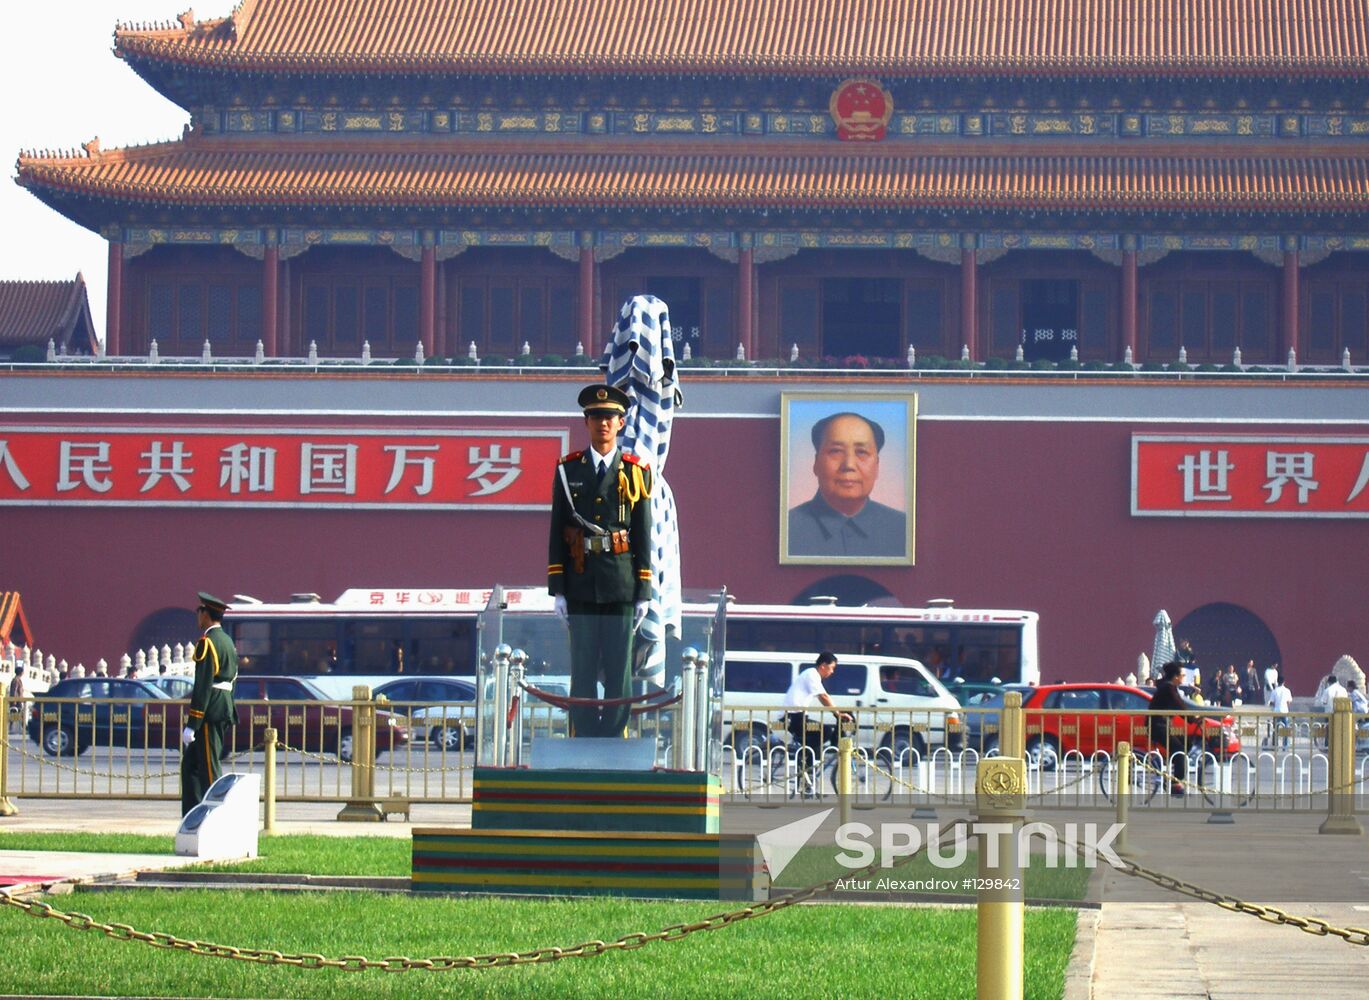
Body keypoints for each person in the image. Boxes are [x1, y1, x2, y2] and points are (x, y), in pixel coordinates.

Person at [548, 384, 653, 738]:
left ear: (621, 423)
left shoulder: (636, 471)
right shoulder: (567, 470)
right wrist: (558, 590)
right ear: (586, 422)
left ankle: (614, 735)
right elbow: (557, 531)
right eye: (595, 417)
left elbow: (643, 533)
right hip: (580, 580)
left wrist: (644, 590)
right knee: (582, 665)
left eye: (609, 417)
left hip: (621, 582)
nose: (602, 424)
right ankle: (583, 733)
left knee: (618, 665)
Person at [787, 411, 906, 558]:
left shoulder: (904, 529)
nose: (849, 465)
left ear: (877, 466)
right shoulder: (786, 530)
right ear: (816, 463)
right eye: (836, 451)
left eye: (861, 452)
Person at [181, 592, 238, 815]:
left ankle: (217, 814)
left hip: (209, 712)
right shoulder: (227, 641)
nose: (198, 616)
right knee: (191, 767)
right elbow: (232, 679)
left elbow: (203, 685)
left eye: (199, 611)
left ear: (205, 615)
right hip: (221, 706)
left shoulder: (207, 643)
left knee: (208, 767)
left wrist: (193, 722)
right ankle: (192, 815)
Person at [782, 651, 852, 795]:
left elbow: (823, 697)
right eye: (832, 668)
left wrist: (837, 712)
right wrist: (837, 713)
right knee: (825, 732)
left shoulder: (813, 675)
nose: (832, 672)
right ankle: (805, 768)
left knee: (817, 741)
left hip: (798, 716)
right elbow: (824, 696)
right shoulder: (812, 674)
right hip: (791, 717)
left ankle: (807, 777)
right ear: (823, 665)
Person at [1149, 660, 1203, 796]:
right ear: (1175, 677)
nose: (1184, 678)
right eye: (1183, 675)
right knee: (1179, 750)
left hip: (1163, 725)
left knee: (1186, 742)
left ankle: (1171, 770)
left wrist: (1192, 718)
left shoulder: (1169, 687)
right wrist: (1193, 719)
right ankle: (1175, 784)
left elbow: (1180, 706)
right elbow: (1180, 706)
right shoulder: (1169, 688)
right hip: (1158, 726)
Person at [1267, 672, 1293, 748]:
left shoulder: (1274, 691)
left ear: (1277, 682)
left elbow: (1272, 702)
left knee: (1275, 728)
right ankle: (1285, 745)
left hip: (1276, 711)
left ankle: (1275, 744)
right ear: (1284, 682)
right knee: (1286, 729)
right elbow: (1289, 702)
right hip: (1284, 711)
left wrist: (1275, 705)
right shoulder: (1287, 690)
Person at [7, 665, 26, 735]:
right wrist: (14, 701)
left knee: (17, 714)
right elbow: (14, 691)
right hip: (16, 701)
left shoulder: (18, 680)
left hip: (18, 700)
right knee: (18, 714)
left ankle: (13, 728)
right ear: (21, 672)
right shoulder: (15, 680)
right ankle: (23, 728)